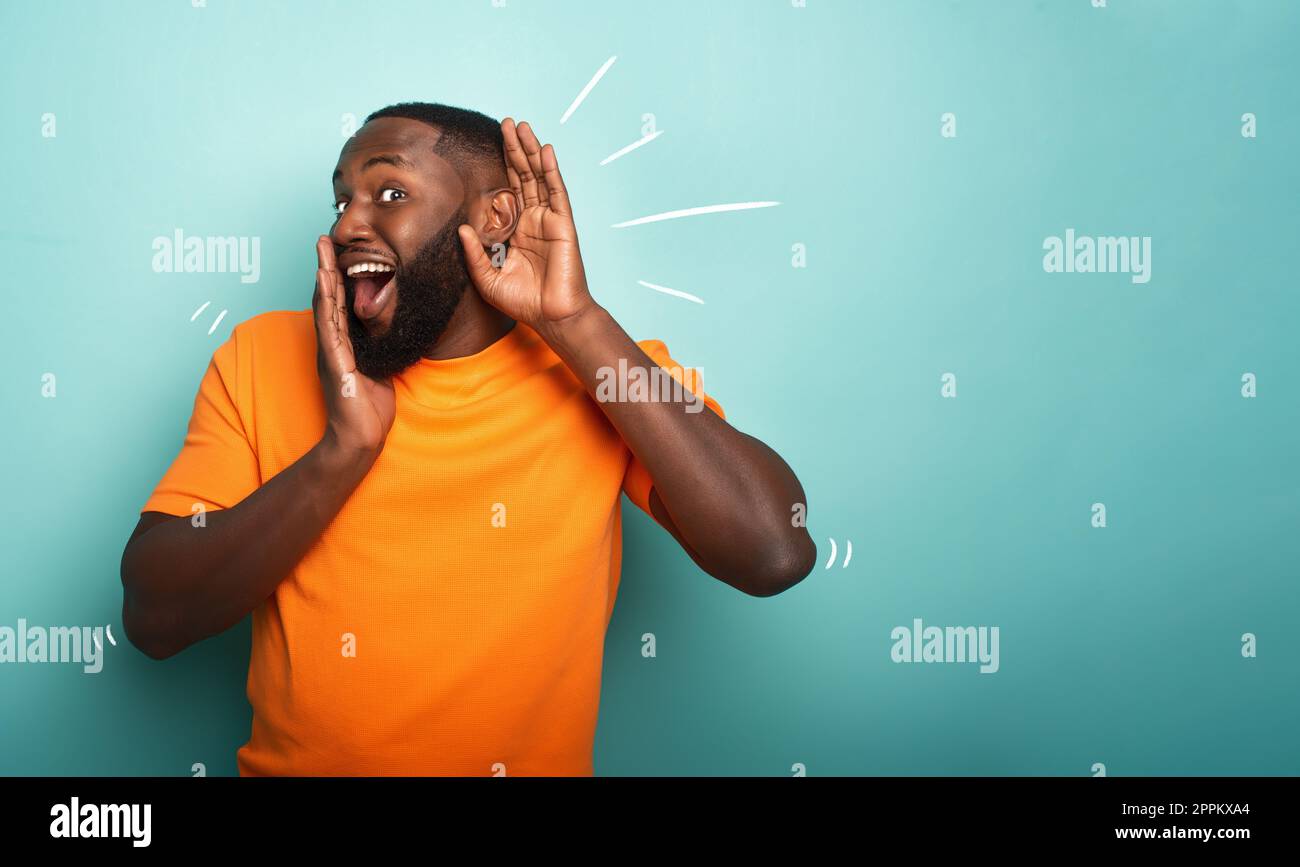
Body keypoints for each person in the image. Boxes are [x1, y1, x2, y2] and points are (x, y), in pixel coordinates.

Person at [120, 102, 816, 776]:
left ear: (495, 217)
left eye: (389, 191)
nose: (348, 224)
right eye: (340, 201)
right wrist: (343, 453)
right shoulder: (262, 355)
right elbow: (155, 615)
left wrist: (574, 322)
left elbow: (773, 549)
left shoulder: (603, 374)